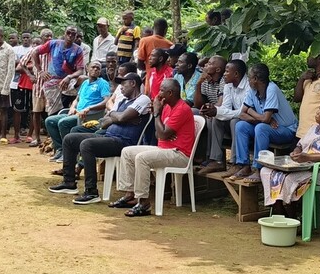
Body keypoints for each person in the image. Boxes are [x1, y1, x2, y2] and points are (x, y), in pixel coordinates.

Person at [49, 72, 152, 204]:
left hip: (124, 142)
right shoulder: (123, 101)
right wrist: (120, 118)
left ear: (133, 84)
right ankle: (69, 182)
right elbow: (104, 122)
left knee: (87, 145)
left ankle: (91, 192)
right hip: (109, 136)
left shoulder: (143, 99)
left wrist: (117, 117)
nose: (120, 87)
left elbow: (120, 117)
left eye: (124, 84)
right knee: (70, 139)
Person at [109, 79, 196, 218]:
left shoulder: (182, 108)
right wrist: (161, 122)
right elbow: (159, 134)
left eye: (162, 90)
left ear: (170, 93)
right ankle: (130, 195)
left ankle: (144, 203)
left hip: (179, 154)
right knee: (127, 152)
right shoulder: (166, 106)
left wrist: (156, 114)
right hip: (164, 148)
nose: (158, 94)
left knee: (142, 158)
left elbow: (161, 133)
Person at [260, 100, 320, 215]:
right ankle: (279, 210)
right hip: (303, 167)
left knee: (289, 178)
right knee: (266, 171)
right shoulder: (314, 128)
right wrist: (296, 152)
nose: (317, 112)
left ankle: (292, 217)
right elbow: (300, 145)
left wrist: (309, 157)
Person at [228, 63, 299, 184]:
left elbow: (264, 118)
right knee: (240, 125)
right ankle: (244, 165)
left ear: (255, 79)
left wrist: (252, 111)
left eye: (249, 78)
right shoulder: (252, 90)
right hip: (267, 127)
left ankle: (258, 168)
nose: (248, 81)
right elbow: (242, 114)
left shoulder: (272, 88)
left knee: (261, 128)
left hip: (286, 130)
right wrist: (261, 117)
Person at [44, 62, 110, 160]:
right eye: (93, 67)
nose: (95, 69)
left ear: (100, 71)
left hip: (88, 115)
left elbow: (106, 101)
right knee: (50, 121)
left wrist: (89, 108)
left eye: (98, 68)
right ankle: (60, 149)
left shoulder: (103, 83)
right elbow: (77, 99)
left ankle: (69, 153)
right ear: (87, 68)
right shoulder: (84, 83)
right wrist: (72, 107)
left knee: (64, 123)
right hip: (76, 113)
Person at [192, 55, 227, 173]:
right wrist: (198, 84)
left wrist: (210, 109)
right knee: (192, 113)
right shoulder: (205, 80)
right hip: (210, 110)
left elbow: (221, 104)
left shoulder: (224, 81)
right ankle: (195, 155)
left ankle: (215, 160)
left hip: (223, 114)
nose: (206, 66)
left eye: (210, 64)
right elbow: (198, 104)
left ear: (218, 70)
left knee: (213, 117)